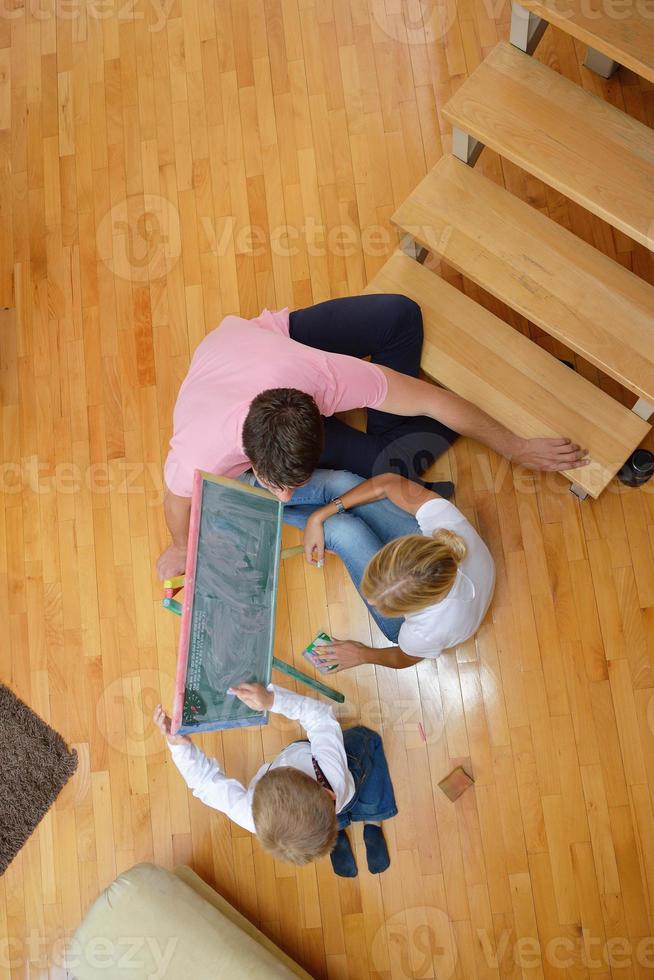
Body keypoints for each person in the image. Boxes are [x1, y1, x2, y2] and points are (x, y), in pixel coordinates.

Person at [157, 296, 588, 579]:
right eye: (278, 483)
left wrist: (517, 448)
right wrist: (180, 548)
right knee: (393, 460)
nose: (286, 497)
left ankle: (394, 439)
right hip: (240, 354)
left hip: (272, 353)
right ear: (248, 455)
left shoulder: (326, 378)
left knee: (401, 316)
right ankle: (390, 439)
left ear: (320, 411)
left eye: (290, 483)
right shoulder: (201, 452)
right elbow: (176, 497)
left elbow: (434, 401)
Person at [153, 682, 398, 878]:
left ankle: (338, 833)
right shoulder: (329, 772)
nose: (283, 767)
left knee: (362, 755)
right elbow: (321, 719)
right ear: (327, 793)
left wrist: (179, 747)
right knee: (368, 762)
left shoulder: (253, 816)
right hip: (346, 783)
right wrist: (273, 701)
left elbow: (206, 785)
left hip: (332, 804)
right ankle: (371, 823)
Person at [300, 473, 495, 671]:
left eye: (387, 606)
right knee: (339, 484)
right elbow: (388, 483)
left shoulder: (425, 632)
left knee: (338, 529)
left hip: (435, 625)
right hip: (444, 580)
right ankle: (274, 494)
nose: (371, 602)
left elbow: (402, 658)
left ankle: (278, 507)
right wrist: (317, 517)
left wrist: (360, 654)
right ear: (398, 546)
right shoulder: (445, 523)